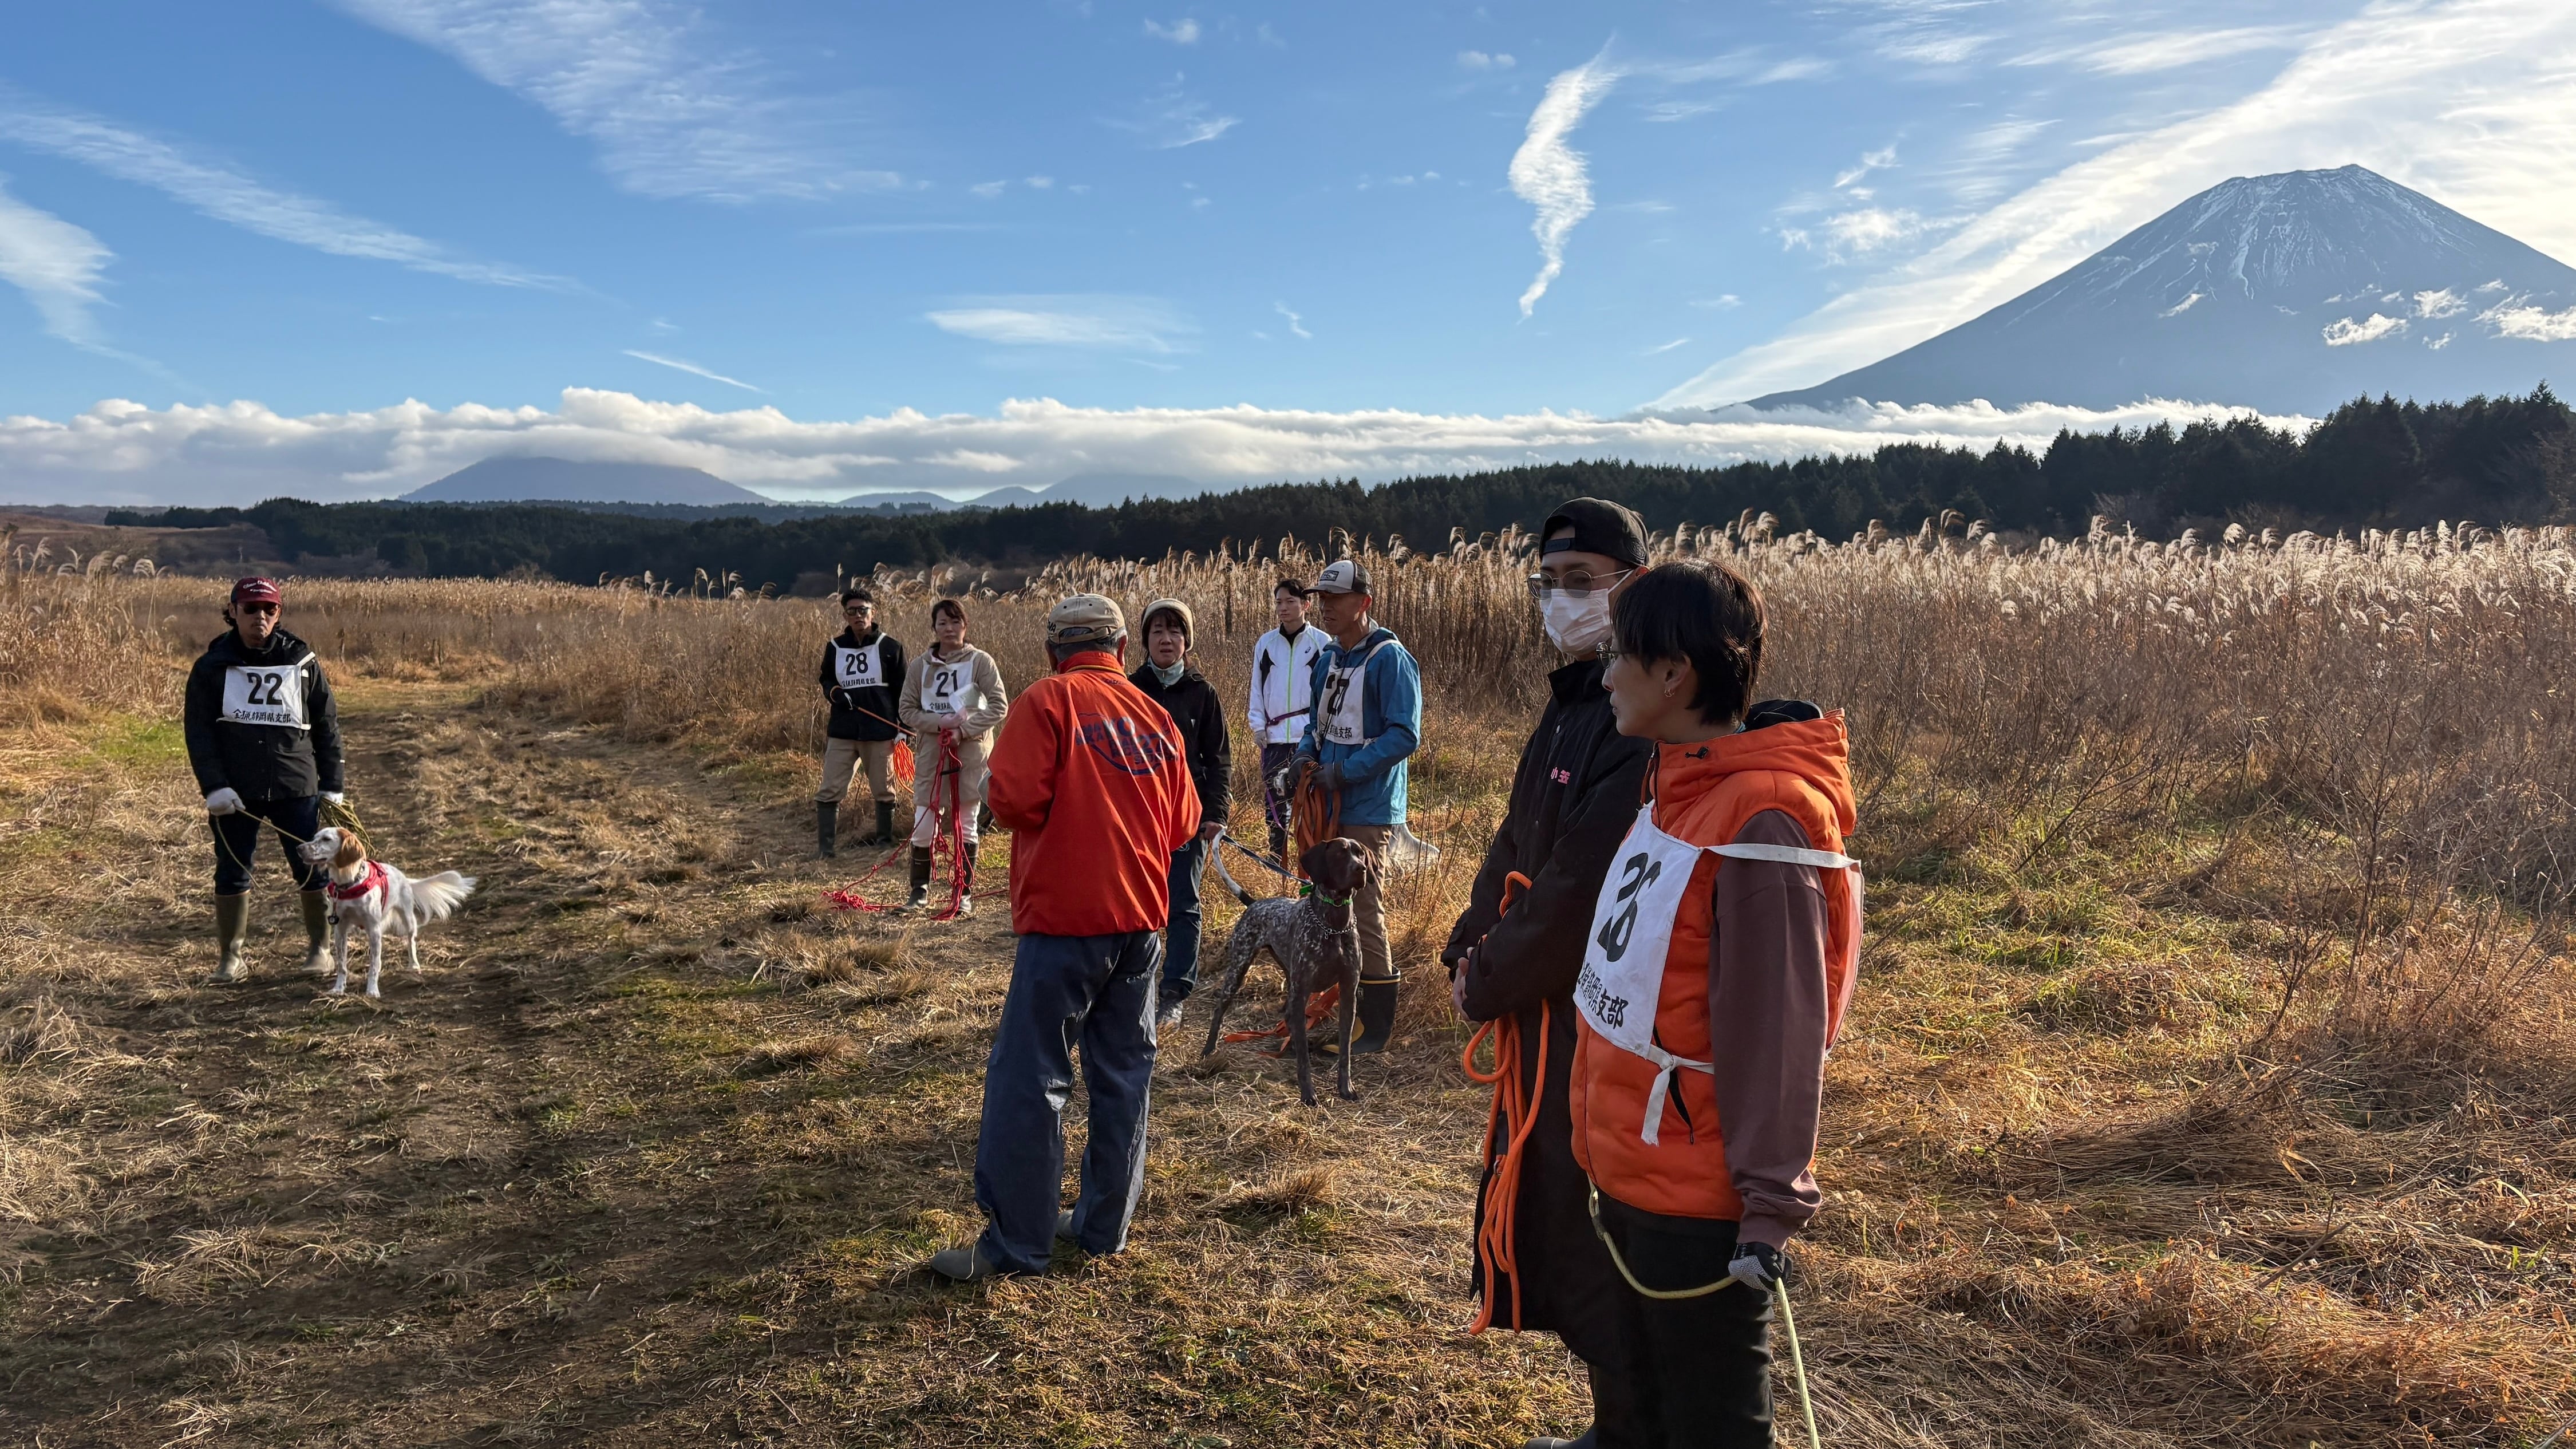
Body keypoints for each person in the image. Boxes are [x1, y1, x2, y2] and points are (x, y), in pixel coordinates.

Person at [1568, 559, 1861, 1447]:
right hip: (1633, 1165)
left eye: (1621, 652)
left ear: (1674, 673)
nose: (1605, 670)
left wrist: (1769, 1208)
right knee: (1644, 1395)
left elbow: (1779, 1028)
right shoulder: (1678, 785)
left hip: (1696, 1200)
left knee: (1713, 1423)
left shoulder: (1763, 820)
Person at [1442, 500, 1657, 1448]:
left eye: (1582, 583)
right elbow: (1518, 838)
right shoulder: (1570, 702)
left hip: (1598, 1018)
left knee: (1597, 1221)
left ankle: (1632, 1427)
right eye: (1549, 583)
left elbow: (1578, 883)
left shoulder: (1636, 719)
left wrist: (1490, 976)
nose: (1559, 601)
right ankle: (1613, 1423)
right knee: (1562, 1214)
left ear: (1630, 588)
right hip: (1549, 1019)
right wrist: (1468, 939)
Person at [930, 594, 1199, 1281]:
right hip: (1142, 924)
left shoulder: (1047, 702)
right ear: (1118, 647)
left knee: (1032, 1076)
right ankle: (1102, 1226)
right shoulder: (1158, 716)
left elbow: (1013, 801)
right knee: (1124, 1076)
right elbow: (1184, 824)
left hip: (1064, 925)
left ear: (1055, 650)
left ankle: (1017, 1244)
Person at [1277, 558, 1421, 1055]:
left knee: (1361, 905)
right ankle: (1342, 1010)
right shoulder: (1329, 659)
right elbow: (1317, 727)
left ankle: (1374, 1028)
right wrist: (1303, 758)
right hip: (1327, 802)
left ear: (1365, 603)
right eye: (1323, 599)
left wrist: (1347, 771)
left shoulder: (1390, 659)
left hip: (1368, 806)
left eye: (1336, 599)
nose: (1327, 608)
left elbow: (1405, 734)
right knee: (1326, 903)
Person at [182, 577, 345, 985]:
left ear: (280, 613)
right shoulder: (211, 667)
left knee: (312, 868)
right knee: (232, 870)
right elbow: (198, 732)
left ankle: (320, 950)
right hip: (235, 791)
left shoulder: (303, 661)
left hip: (297, 785)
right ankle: (230, 958)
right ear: (233, 610)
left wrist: (333, 784)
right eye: (251, 608)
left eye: (269, 609)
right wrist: (213, 786)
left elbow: (327, 725)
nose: (260, 617)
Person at [1128, 598, 1232, 1032]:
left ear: (1186, 640)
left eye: (1174, 631)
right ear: (1145, 641)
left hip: (1187, 816)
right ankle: (1134, 984)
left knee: (1184, 904)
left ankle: (1174, 991)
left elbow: (1219, 758)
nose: (1166, 639)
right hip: (1138, 816)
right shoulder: (1129, 688)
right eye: (1157, 632)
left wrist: (1216, 812)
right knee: (1135, 903)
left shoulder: (1203, 693)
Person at [896, 598, 1009, 914]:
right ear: (934, 628)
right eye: (942, 623)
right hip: (933, 754)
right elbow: (907, 709)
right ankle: (919, 892)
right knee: (923, 824)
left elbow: (1000, 706)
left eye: (955, 621)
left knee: (966, 823)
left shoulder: (981, 662)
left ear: (965, 625)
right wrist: (938, 723)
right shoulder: (920, 666)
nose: (949, 628)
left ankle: (964, 893)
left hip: (970, 755)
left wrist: (964, 730)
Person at [814, 586, 908, 856]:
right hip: (843, 730)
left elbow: (903, 690)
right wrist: (835, 693)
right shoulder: (834, 647)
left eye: (863, 610)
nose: (858, 616)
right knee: (830, 788)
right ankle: (825, 850)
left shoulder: (891, 647)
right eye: (852, 611)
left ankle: (884, 843)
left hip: (880, 730)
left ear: (873, 612)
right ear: (845, 616)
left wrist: (903, 727)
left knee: (884, 789)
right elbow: (826, 678)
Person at [1247, 577, 1324, 864]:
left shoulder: (1322, 643)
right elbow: (1257, 687)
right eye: (1279, 602)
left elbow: (1326, 694)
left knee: (1312, 799)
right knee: (1276, 799)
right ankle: (1276, 857)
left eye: (1290, 601)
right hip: (1275, 734)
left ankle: (1312, 859)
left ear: (1305, 605)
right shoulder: (1266, 644)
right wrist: (1258, 726)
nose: (1283, 607)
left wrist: (1321, 732)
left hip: (1308, 736)